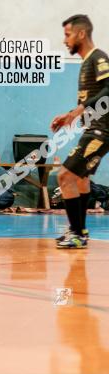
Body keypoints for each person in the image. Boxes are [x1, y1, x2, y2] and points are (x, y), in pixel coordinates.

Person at [51, 14, 109, 249]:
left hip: (101, 132)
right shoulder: (86, 62)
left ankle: (76, 233)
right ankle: (81, 231)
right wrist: (70, 117)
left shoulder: (99, 58)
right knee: (82, 179)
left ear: (81, 34)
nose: (65, 40)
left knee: (64, 176)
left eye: (68, 34)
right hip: (93, 129)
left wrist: (75, 112)